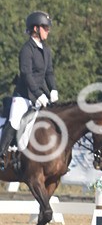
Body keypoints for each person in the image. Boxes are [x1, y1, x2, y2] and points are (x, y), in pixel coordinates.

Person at [0, 11, 59, 164]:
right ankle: (1, 153)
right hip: (23, 96)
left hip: (40, 94)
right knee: (14, 121)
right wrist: (39, 94)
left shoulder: (46, 50)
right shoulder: (27, 49)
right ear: (35, 28)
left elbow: (49, 72)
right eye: (45, 27)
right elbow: (26, 74)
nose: (48, 30)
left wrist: (53, 89)